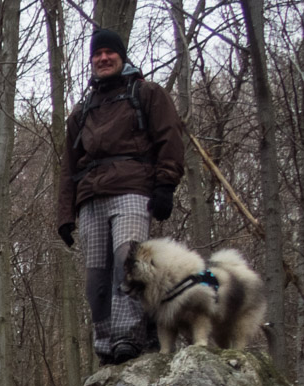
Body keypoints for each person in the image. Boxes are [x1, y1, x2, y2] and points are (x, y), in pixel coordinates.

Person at [57, 27, 187, 365]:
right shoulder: (82, 110)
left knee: (127, 263)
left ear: (121, 55)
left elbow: (169, 138)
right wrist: (64, 216)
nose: (102, 58)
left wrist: (165, 186)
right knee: (96, 278)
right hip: (90, 199)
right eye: (97, 54)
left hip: (132, 188)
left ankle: (131, 338)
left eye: (108, 53)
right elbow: (68, 166)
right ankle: (106, 344)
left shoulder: (146, 93)